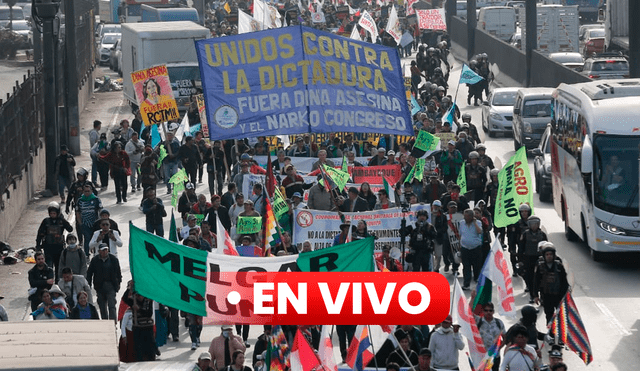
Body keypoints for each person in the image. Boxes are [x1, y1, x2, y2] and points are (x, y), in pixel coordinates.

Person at [36, 201, 73, 280]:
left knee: (58, 266)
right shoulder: (46, 221)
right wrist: (38, 246)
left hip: (59, 247)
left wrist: (63, 220)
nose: (53, 215)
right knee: (49, 266)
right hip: (48, 247)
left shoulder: (61, 221)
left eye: (54, 213)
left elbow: (70, 229)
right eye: (51, 213)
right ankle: (49, 280)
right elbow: (39, 234)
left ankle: (57, 282)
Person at [533, 243, 569, 323]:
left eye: (551, 254)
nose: (549, 256)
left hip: (558, 296)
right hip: (546, 296)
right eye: (547, 254)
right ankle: (551, 333)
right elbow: (536, 281)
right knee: (549, 316)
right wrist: (535, 295)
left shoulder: (559, 266)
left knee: (561, 316)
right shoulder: (540, 267)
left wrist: (565, 295)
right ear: (544, 256)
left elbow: (564, 281)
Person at [87, 243, 122, 321]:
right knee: (102, 306)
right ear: (99, 251)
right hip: (100, 286)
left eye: (106, 250)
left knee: (112, 305)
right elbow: (89, 273)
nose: (105, 252)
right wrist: (88, 285)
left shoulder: (113, 259)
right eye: (103, 250)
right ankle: (105, 322)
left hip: (111, 285)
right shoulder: (95, 260)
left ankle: (113, 322)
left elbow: (118, 273)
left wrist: (118, 284)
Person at [519, 216, 548, 303]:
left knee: (542, 279)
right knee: (530, 278)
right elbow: (521, 248)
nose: (534, 226)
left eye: (536, 224)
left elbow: (546, 247)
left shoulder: (542, 235)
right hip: (528, 259)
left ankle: (542, 297)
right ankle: (532, 295)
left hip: (539, 259)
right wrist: (520, 260)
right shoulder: (525, 234)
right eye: (532, 224)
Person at [473, 301, 505, 371]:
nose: (488, 312)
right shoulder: (479, 321)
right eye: (486, 310)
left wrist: (499, 347)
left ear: (493, 311)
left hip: (495, 357)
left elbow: (505, 338)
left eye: (490, 310)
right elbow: (468, 312)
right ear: (483, 311)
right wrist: (473, 298)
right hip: (482, 357)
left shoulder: (499, 323)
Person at [458, 209, 484, 290]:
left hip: (475, 248)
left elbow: (480, 232)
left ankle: (477, 279)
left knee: (476, 266)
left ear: (472, 217)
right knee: (466, 266)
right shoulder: (462, 223)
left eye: (467, 216)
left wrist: (475, 223)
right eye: (464, 216)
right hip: (465, 248)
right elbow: (460, 234)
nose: (465, 218)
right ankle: (466, 283)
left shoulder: (478, 223)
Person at [76, 184, 103, 258]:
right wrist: (80, 222)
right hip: (85, 223)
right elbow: (78, 212)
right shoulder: (80, 200)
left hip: (95, 223)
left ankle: (96, 253)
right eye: (85, 191)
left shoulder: (96, 199)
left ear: (91, 191)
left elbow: (101, 210)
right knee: (87, 238)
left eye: (88, 191)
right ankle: (86, 254)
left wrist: (101, 222)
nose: (87, 193)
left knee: (95, 238)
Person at [507, 204, 531, 277]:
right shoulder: (517, 224)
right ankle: (515, 270)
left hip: (528, 244)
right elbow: (513, 237)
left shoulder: (531, 222)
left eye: (526, 211)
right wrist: (512, 247)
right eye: (522, 211)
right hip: (519, 242)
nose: (524, 213)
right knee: (513, 255)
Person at [89, 120, 102, 184]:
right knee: (95, 167)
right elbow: (93, 142)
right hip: (95, 152)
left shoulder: (96, 132)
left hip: (97, 152)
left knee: (97, 166)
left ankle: (95, 180)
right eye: (100, 125)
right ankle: (94, 181)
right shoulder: (94, 133)